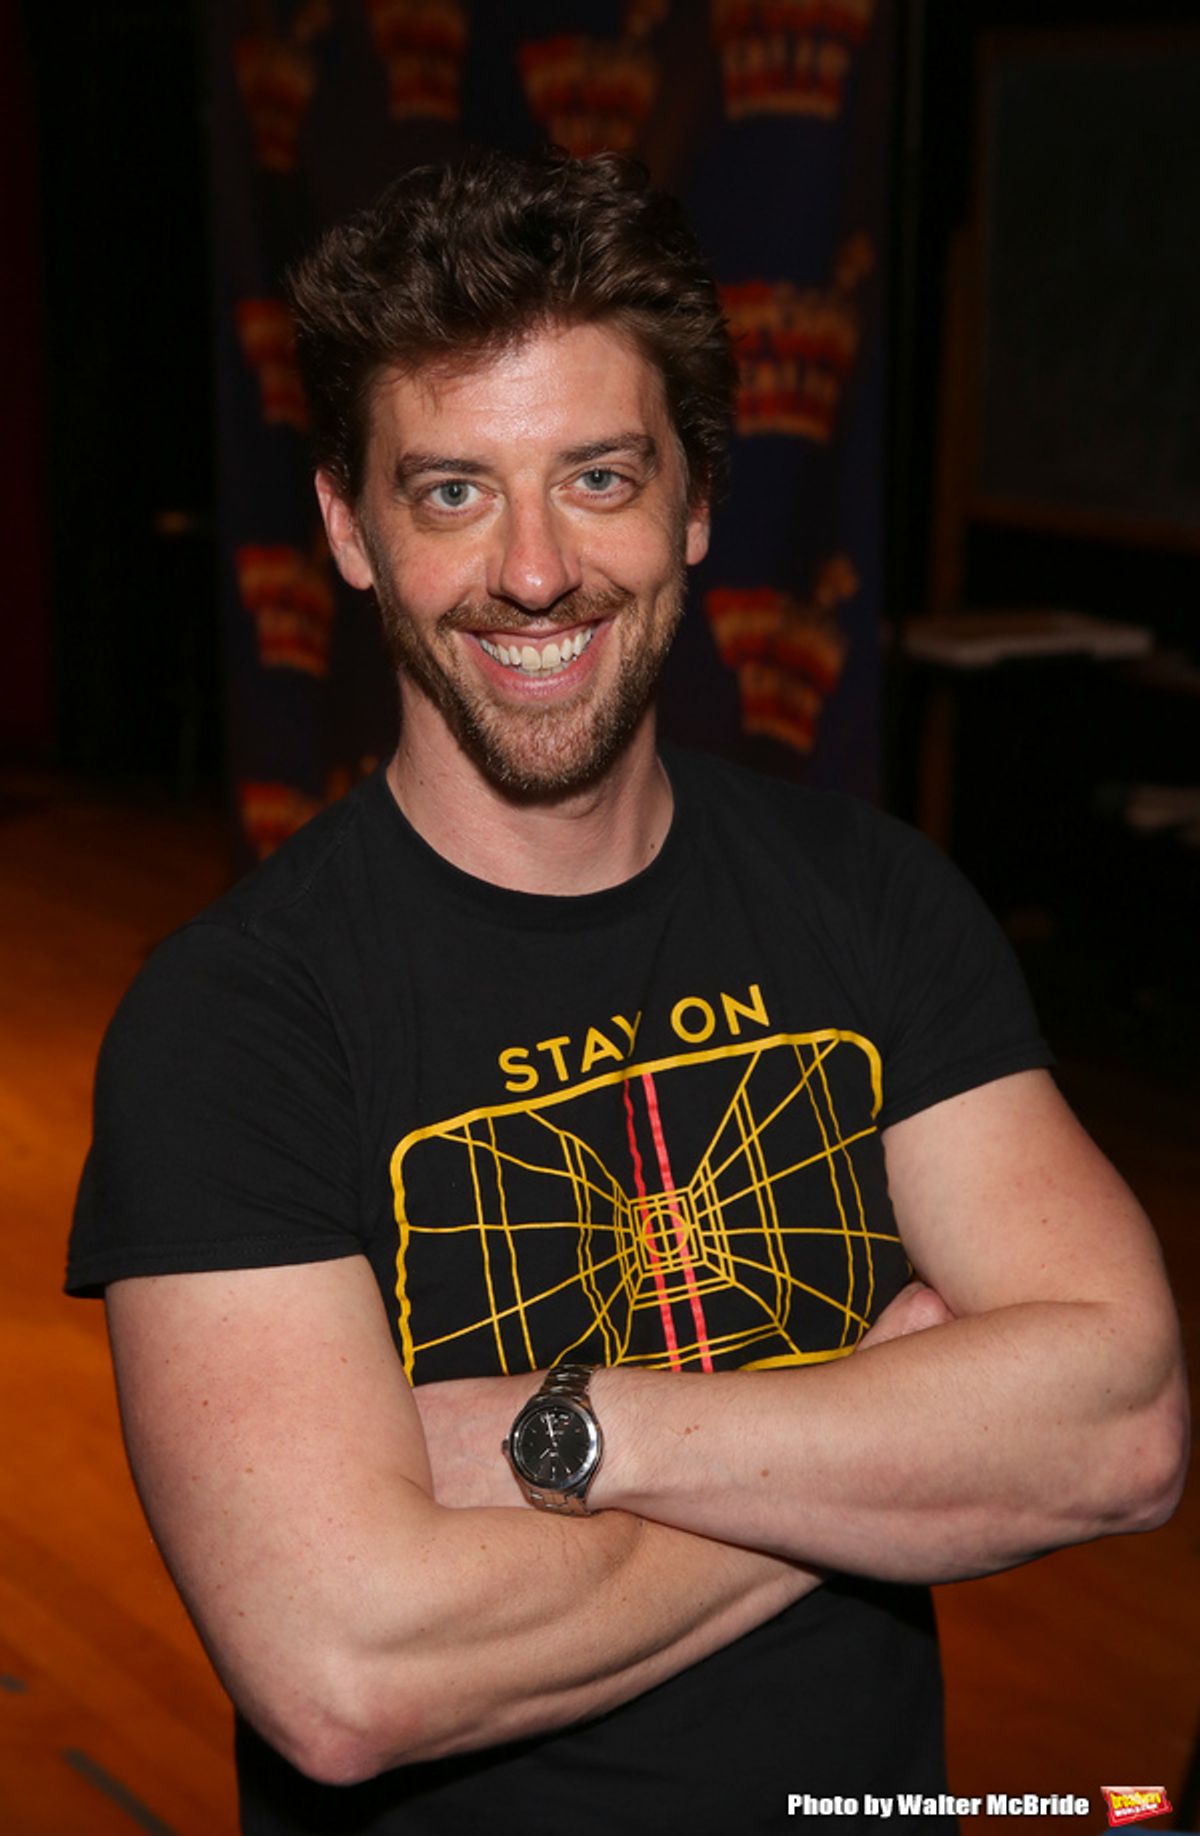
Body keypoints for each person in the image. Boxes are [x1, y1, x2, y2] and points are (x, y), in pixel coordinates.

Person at [68, 148, 1186, 1836]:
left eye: (598, 476)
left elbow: (1122, 1426)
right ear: (348, 529)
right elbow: (347, 1670)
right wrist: (892, 1440)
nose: (534, 571)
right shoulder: (231, 1025)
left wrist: (573, 1432)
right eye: (450, 491)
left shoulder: (871, 897)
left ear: (697, 502)